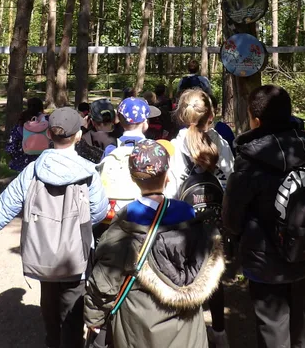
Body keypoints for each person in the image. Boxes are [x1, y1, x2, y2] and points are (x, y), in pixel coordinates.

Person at [0, 108, 109, 348]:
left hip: (41, 254)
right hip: (76, 257)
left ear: (49, 133)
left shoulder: (32, 171)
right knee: (73, 307)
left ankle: (52, 340)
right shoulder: (89, 172)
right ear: (79, 135)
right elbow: (99, 211)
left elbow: (2, 209)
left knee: (48, 300)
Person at [85, 139, 225, 348]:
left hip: (139, 330)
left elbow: (104, 282)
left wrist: (93, 318)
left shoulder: (125, 225)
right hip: (188, 332)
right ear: (167, 176)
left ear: (133, 177)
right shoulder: (191, 219)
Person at [222, 85, 305, 348]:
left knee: (271, 323)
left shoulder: (248, 160)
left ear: (255, 120)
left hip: (264, 257)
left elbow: (232, 216)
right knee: (300, 316)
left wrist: (234, 239)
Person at [166, 89, 234, 348]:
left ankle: (190, 334)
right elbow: (231, 180)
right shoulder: (221, 143)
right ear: (212, 114)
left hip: (184, 224)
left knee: (186, 278)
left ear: (181, 115)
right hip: (215, 221)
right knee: (214, 277)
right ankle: (219, 332)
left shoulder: (174, 147)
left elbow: (170, 192)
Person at [96, 98, 163, 231]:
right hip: (145, 215)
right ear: (145, 123)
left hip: (114, 216)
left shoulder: (111, 149)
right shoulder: (153, 149)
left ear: (120, 121)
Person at [4, 97, 47, 172]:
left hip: (22, 164)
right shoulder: (48, 120)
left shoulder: (22, 120)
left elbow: (11, 146)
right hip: (44, 162)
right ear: (41, 107)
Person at [77, 99, 122, 163]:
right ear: (114, 119)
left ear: (92, 122)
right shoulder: (123, 136)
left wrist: (83, 128)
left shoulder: (84, 140)